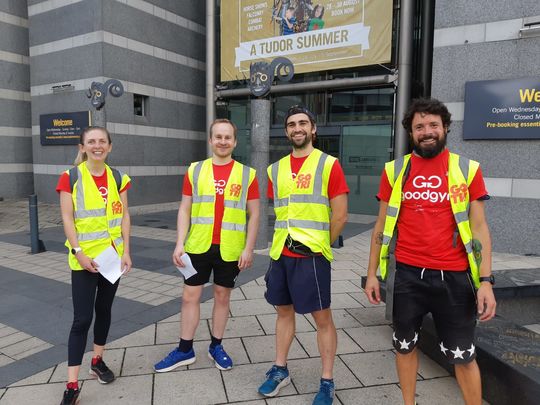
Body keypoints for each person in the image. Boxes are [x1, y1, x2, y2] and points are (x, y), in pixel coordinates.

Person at [364, 98, 497, 405]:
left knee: (463, 355)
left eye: (433, 125)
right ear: (411, 132)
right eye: (419, 126)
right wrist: (372, 274)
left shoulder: (467, 169)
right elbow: (381, 228)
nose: (427, 132)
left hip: (455, 279)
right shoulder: (395, 170)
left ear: (445, 127)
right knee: (404, 346)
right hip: (408, 276)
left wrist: (486, 281)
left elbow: (480, 228)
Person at [258, 106, 349, 405]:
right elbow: (281, 211)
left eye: (303, 123)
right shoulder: (275, 169)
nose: (297, 128)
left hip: (311, 256)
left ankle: (326, 380)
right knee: (283, 312)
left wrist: (321, 245)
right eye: (291, 124)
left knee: (322, 318)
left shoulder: (329, 164)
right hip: (280, 254)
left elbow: (340, 215)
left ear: (313, 129)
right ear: (286, 132)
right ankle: (280, 369)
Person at [154, 118, 260, 373]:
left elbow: (254, 214)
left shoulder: (248, 174)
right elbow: (185, 208)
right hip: (198, 245)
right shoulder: (195, 170)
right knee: (190, 296)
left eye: (228, 137)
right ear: (211, 140)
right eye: (218, 137)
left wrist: (248, 248)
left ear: (234, 141)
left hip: (230, 248)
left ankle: (216, 346)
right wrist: (179, 243)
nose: (223, 141)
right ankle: (184, 349)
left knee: (222, 297)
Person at [56, 126, 132, 405]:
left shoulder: (118, 177)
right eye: (91, 142)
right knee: (82, 319)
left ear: (109, 147)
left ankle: (97, 360)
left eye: (102, 141)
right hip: (85, 260)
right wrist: (78, 252)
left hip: (112, 259)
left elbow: (125, 216)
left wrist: (126, 251)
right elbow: (67, 218)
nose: (97, 146)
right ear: (83, 146)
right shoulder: (71, 177)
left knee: (104, 310)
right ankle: (72, 384)